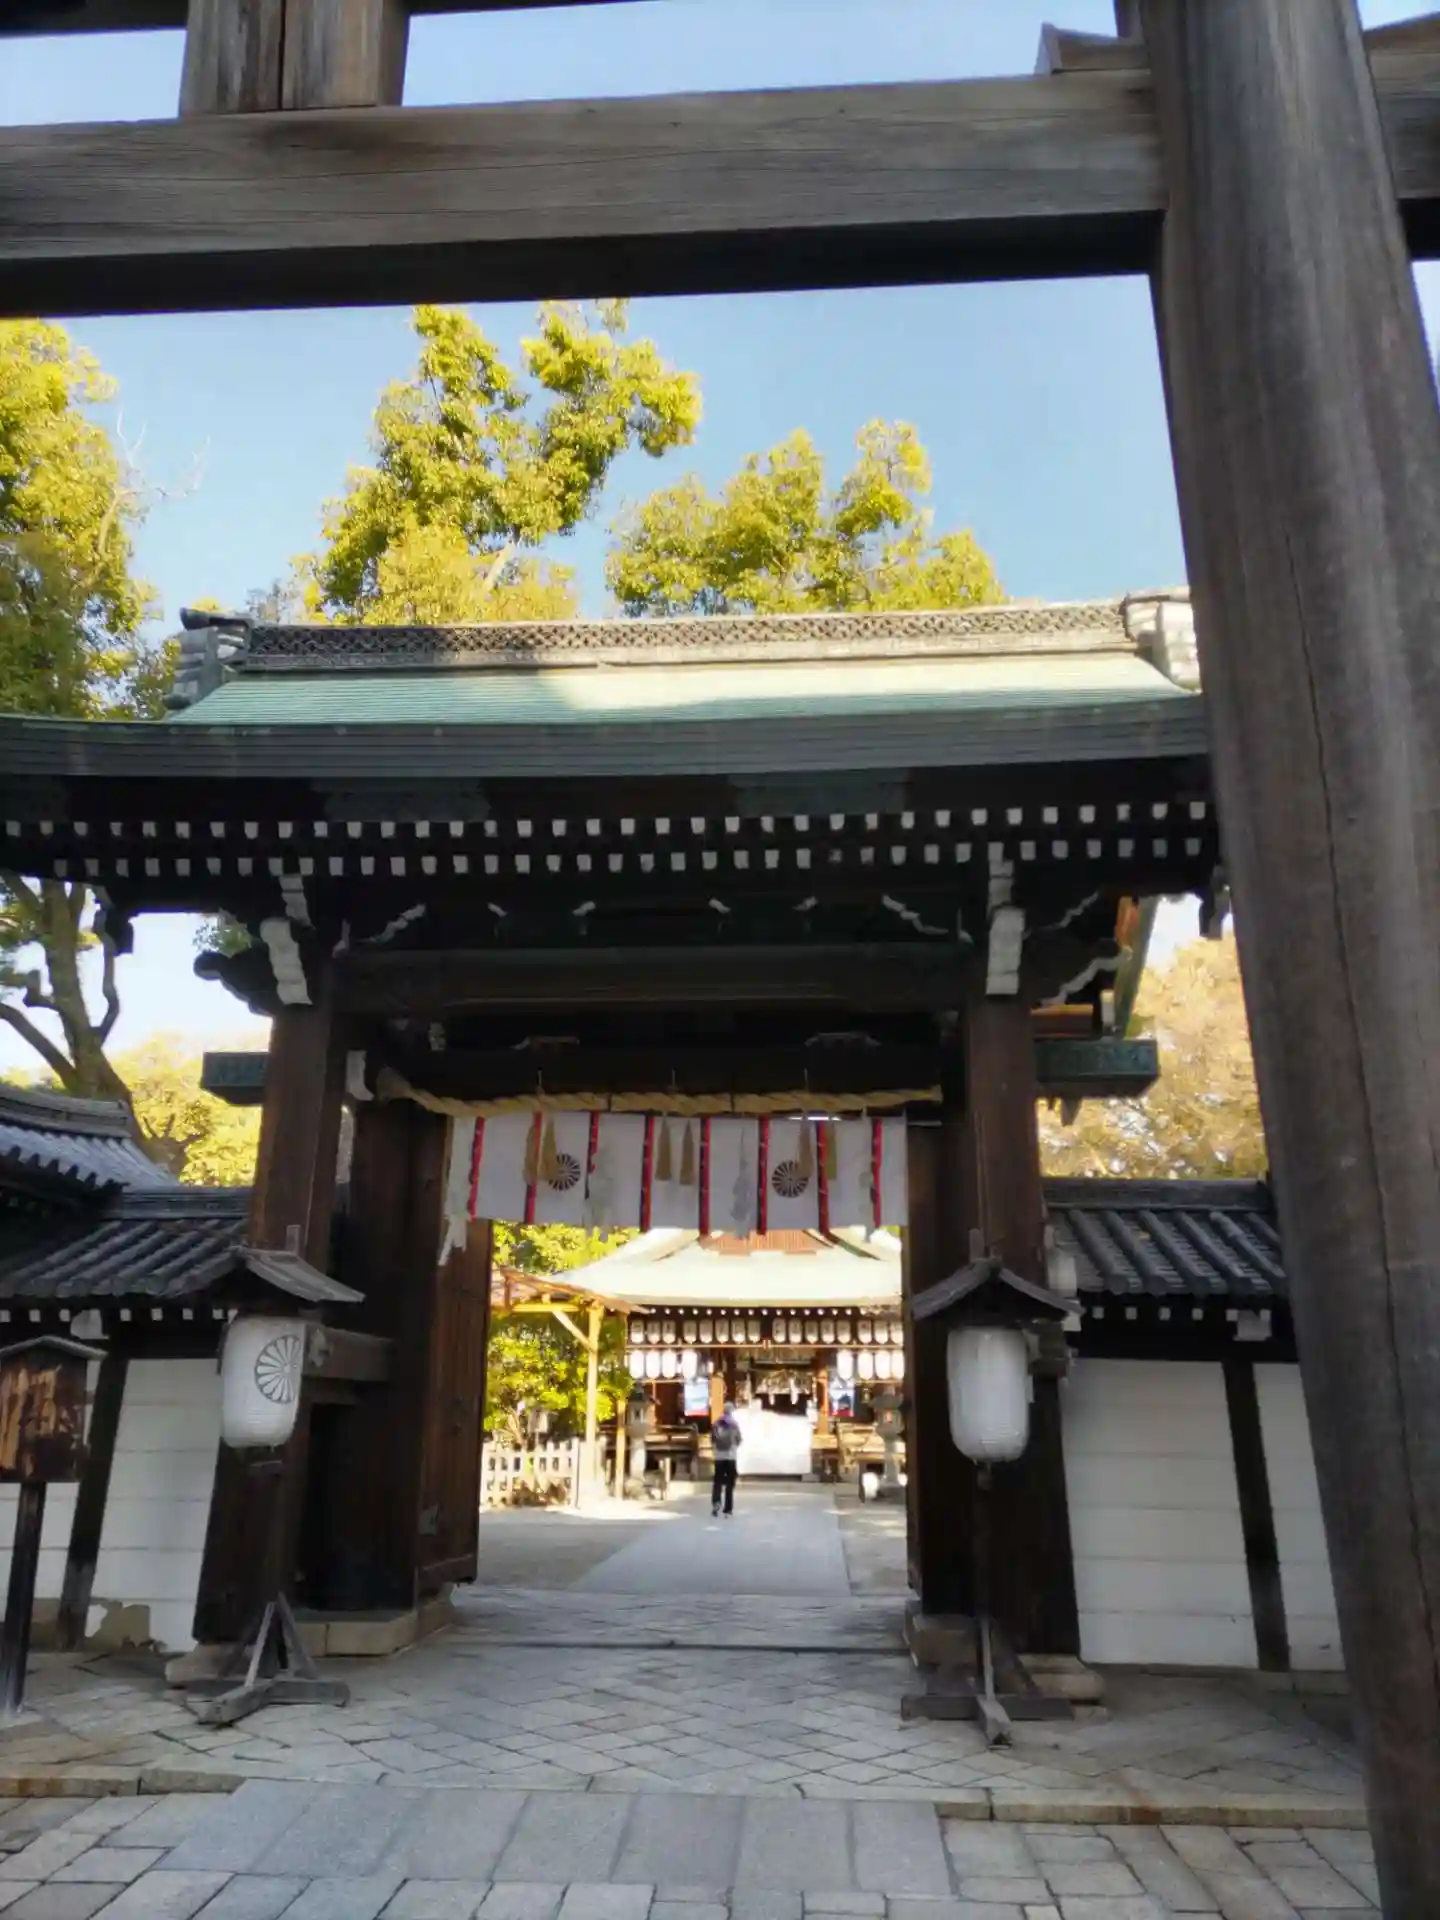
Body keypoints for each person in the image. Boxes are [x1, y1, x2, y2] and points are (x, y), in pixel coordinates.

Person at [711, 1402, 742, 1517]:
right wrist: (733, 1447)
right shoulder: (734, 1424)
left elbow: (713, 1440)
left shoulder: (716, 1423)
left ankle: (716, 1502)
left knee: (717, 1482)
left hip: (719, 1457)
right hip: (730, 1457)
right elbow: (739, 1440)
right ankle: (728, 1508)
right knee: (730, 1483)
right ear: (731, 1411)